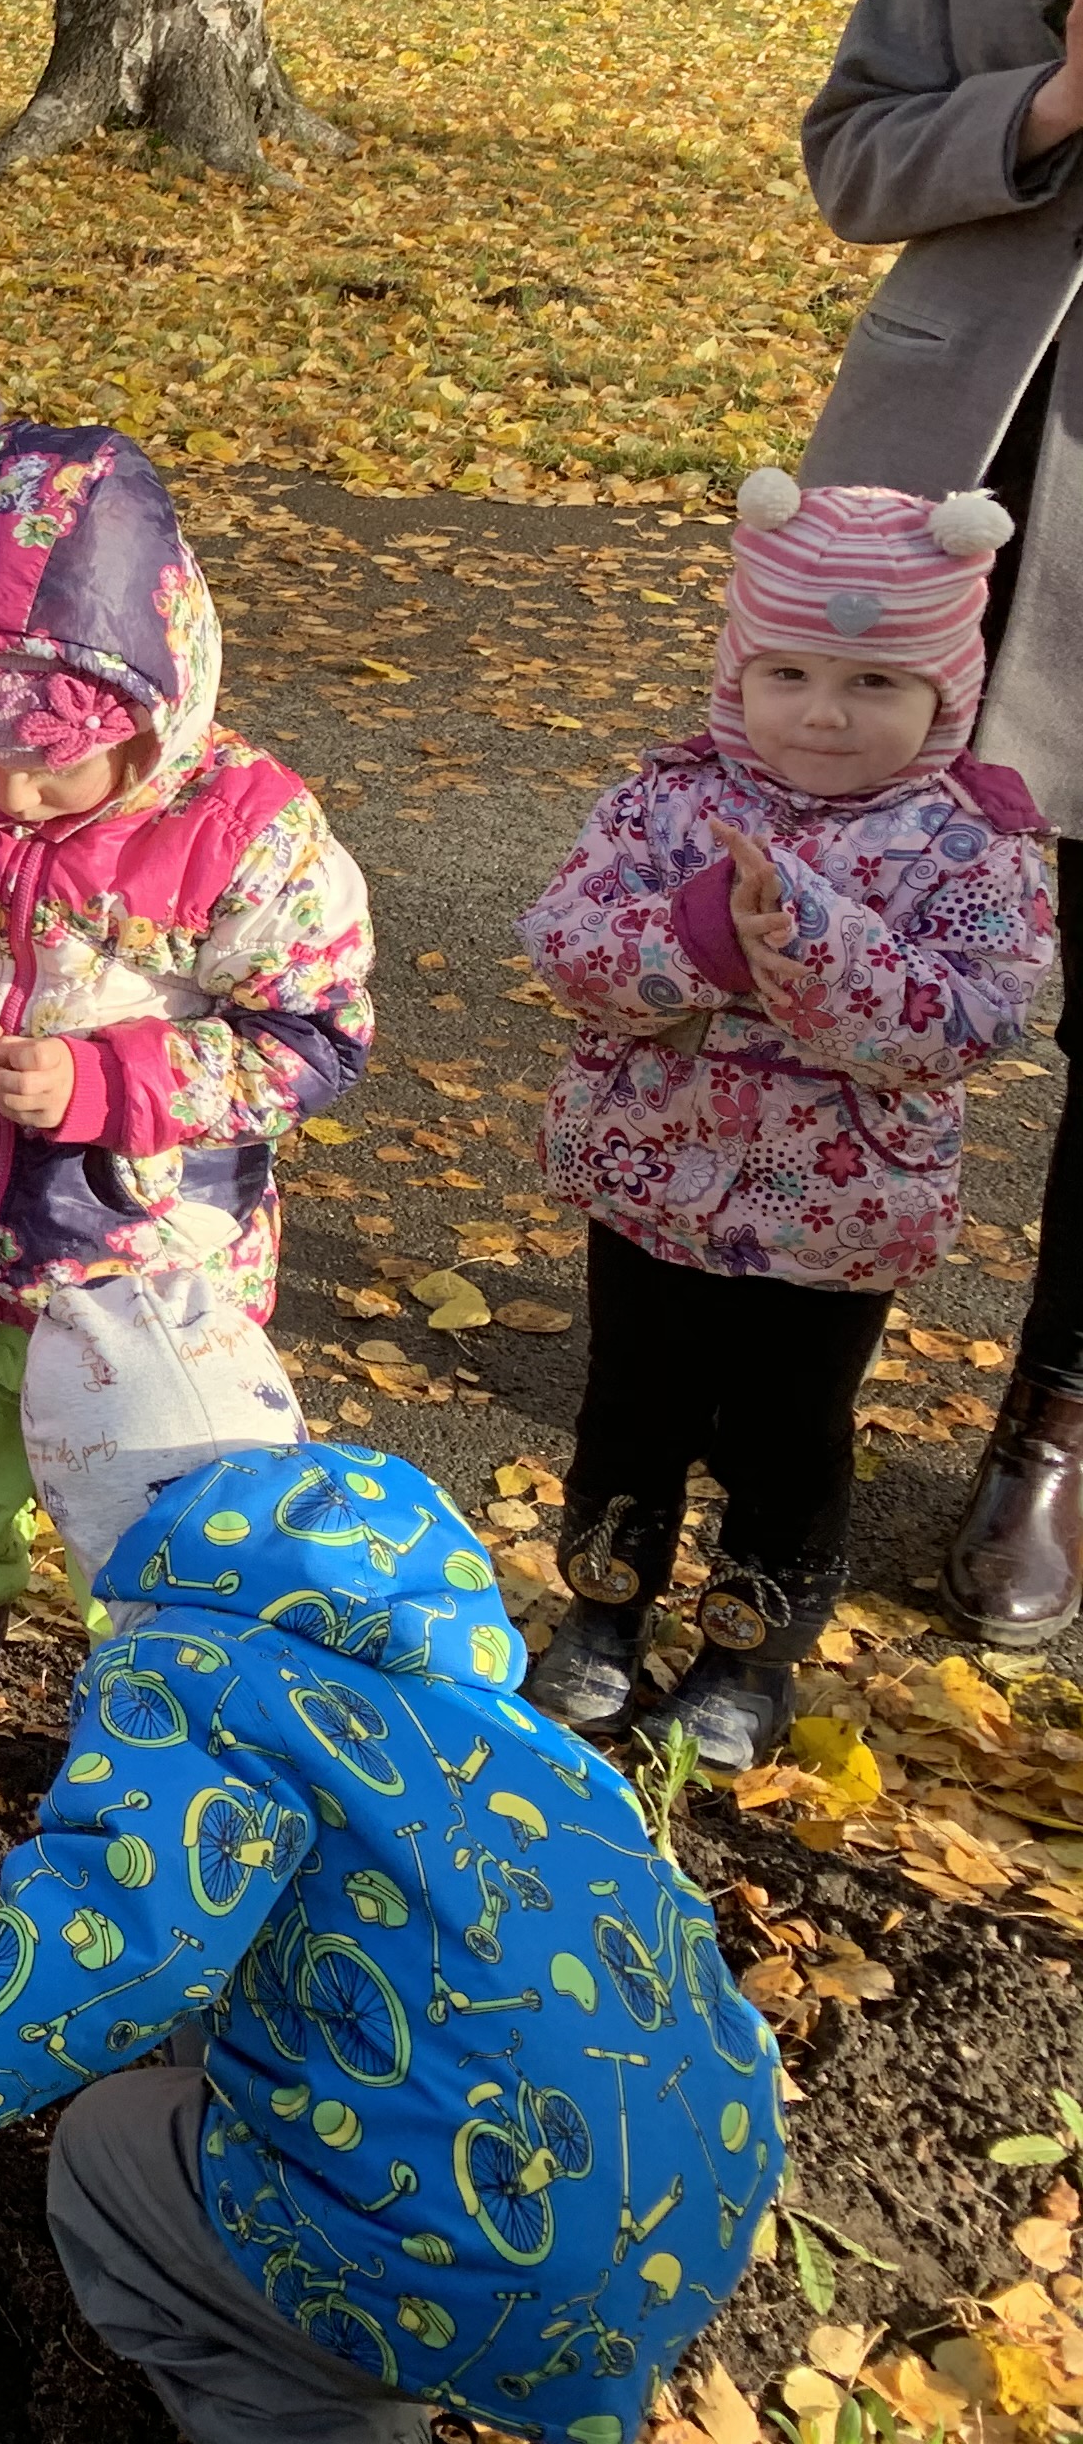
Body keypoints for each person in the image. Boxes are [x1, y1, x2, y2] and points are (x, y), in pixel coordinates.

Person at [0, 1430, 784, 2444]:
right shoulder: (533, 1745)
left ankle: (322, 2413)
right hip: (690, 2209)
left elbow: (126, 1937)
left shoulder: (196, 1672)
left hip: (464, 2260)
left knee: (105, 2155)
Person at [0, 421, 374, 1755]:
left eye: (51, 765)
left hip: (141, 1258)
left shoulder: (244, 830)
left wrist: (112, 1079)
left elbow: (314, 1037)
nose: (10, 793)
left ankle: (164, 1696)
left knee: (153, 1485)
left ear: (151, 705)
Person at [517, 474, 1054, 1769]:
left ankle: (749, 1650)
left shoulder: (969, 844)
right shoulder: (664, 802)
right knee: (630, 1409)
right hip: (652, 1175)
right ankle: (603, 1610)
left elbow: (972, 1018)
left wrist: (823, 949)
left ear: (945, 693)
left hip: (837, 1212)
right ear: (737, 672)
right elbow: (567, 944)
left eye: (874, 684)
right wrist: (698, 941)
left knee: (788, 1436)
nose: (823, 712)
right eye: (790, 673)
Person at [795, 0, 1083, 1645]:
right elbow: (852, 147)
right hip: (926, 528)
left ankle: (1045, 1429)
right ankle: (768, 1376)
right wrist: (1048, 104)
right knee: (824, 969)